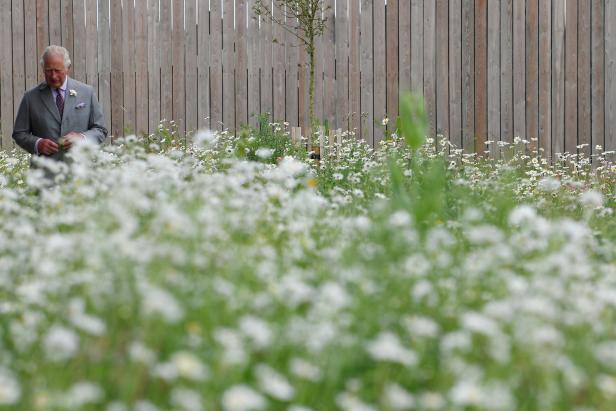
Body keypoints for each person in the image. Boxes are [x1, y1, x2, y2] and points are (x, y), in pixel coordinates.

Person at [12, 45, 107, 165]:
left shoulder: (87, 92)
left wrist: (82, 138)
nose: (53, 76)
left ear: (68, 68)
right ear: (43, 69)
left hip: (81, 174)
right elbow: (19, 133)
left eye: (58, 70)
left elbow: (100, 130)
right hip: (44, 175)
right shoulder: (30, 97)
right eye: (48, 70)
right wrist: (38, 143)